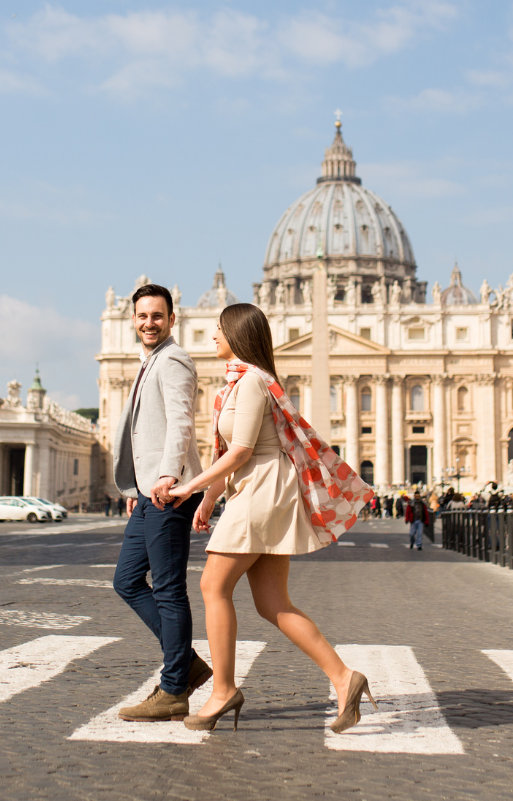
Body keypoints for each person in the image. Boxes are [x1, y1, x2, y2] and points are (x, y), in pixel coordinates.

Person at [169, 302, 375, 734]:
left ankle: (223, 690)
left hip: (261, 490)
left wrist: (188, 488)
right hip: (259, 487)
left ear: (238, 334)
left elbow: (242, 450)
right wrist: (209, 501)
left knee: (212, 584)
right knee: (272, 603)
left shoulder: (250, 384)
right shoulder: (248, 381)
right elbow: (232, 455)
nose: (212, 337)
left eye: (219, 329)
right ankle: (344, 678)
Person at [111, 283, 207, 723]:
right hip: (148, 490)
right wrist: (136, 486)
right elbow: (142, 432)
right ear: (134, 319)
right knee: (127, 580)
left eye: (157, 316)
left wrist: (167, 474)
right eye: (142, 315)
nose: (148, 322)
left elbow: (181, 422)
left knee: (168, 589)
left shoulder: (174, 360)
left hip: (170, 489)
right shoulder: (149, 361)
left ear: (172, 319)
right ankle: (185, 664)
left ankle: (173, 689)